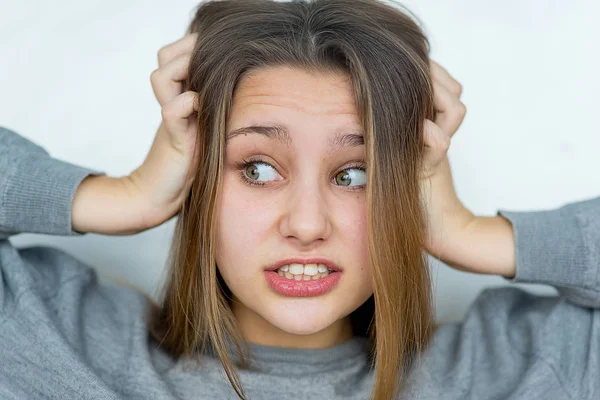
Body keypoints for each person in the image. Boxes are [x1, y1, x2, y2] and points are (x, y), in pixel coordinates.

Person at [0, 0, 598, 399]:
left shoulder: (516, 368)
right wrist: (124, 196)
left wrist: (465, 232)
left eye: (356, 175)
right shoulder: (53, 335)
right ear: (197, 178)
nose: (307, 224)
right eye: (257, 168)